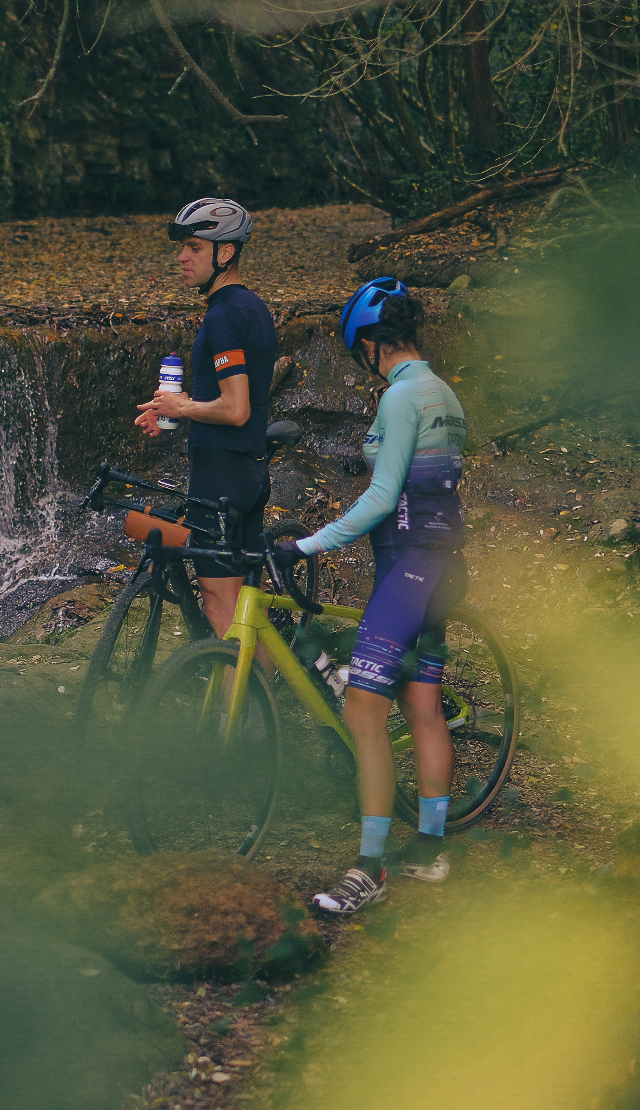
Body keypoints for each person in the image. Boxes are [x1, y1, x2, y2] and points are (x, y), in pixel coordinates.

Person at [275, 278, 468, 914]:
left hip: (408, 565)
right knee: (424, 709)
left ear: (369, 344)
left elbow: (385, 498)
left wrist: (308, 545)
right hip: (445, 565)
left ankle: (369, 870)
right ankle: (431, 851)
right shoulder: (443, 393)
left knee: (364, 715)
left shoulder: (399, 397)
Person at [134, 198, 278, 640]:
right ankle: (269, 699)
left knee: (222, 608)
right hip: (247, 474)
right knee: (246, 611)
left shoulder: (222, 317)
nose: (182, 257)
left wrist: (181, 408)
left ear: (226, 252)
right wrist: (173, 411)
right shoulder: (252, 308)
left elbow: (236, 409)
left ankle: (235, 712)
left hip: (220, 481)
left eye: (194, 247)